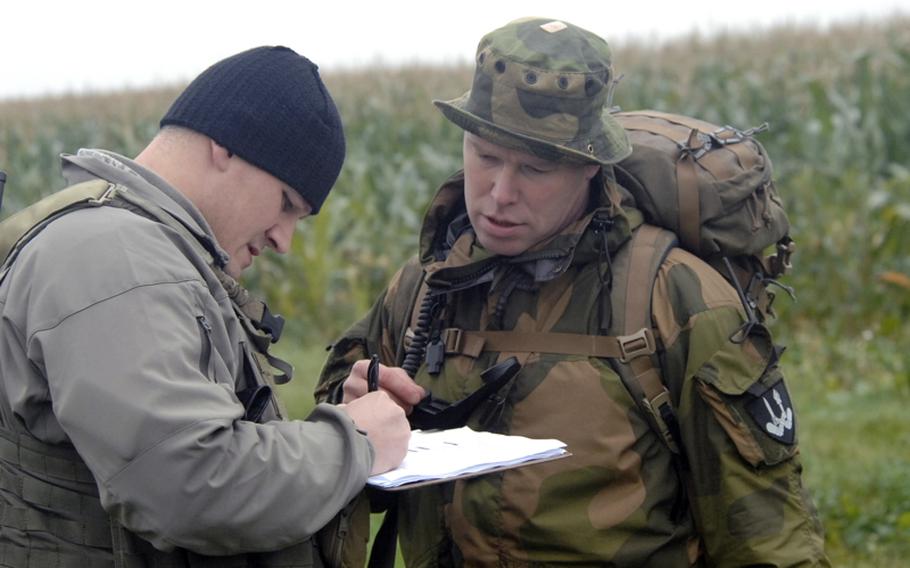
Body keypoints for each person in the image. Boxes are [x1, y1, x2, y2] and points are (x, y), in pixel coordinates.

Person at [316, 18, 830, 567]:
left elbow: (767, 533)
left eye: (535, 168)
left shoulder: (673, 298)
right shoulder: (425, 287)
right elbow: (324, 477)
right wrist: (351, 418)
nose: (500, 194)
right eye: (485, 157)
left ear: (590, 167)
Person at [0, 46, 423, 567]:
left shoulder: (153, 253)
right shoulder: (114, 257)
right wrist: (353, 442)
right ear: (225, 147)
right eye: (286, 204)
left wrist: (341, 414)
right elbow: (190, 482)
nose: (284, 239)